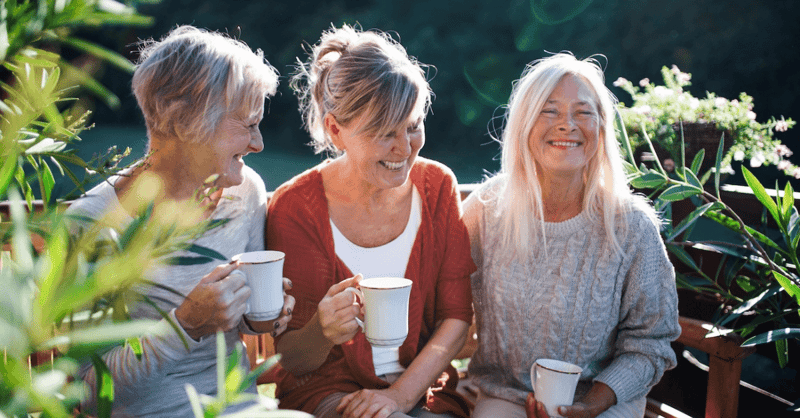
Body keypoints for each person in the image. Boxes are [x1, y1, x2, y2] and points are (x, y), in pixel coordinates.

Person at [67, 25, 294, 417]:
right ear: (184, 120)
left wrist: (264, 314)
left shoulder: (245, 192)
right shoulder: (92, 224)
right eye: (247, 123)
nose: (258, 144)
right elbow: (88, 392)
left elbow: (247, 325)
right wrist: (183, 327)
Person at [266, 25, 475, 418]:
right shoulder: (297, 208)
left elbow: (456, 318)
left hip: (421, 391)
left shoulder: (436, 187)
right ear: (335, 130)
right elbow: (293, 360)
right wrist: (322, 332)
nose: (403, 149)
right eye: (384, 133)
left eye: (413, 126)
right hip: (328, 395)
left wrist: (398, 397)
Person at [463, 53, 681, 418]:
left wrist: (594, 402)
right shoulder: (485, 209)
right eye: (549, 111)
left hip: (603, 401)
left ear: (601, 127)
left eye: (583, 112)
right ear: (523, 123)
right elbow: (440, 301)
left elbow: (651, 342)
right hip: (507, 396)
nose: (567, 125)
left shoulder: (632, 228)